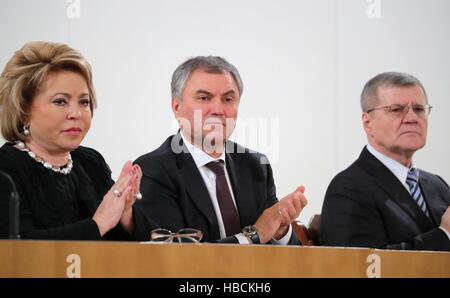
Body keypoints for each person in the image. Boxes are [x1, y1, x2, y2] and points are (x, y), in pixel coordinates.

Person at [134, 56, 307, 244]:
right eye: (204, 98)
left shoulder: (256, 166)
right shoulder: (153, 170)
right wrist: (254, 236)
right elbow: (177, 259)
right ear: (177, 107)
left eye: (228, 99)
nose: (218, 109)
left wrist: (279, 230)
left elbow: (287, 260)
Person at [0, 41, 155, 240]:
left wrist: (125, 214)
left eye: (84, 102)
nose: (76, 113)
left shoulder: (90, 162)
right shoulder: (6, 170)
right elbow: (20, 254)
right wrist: (98, 223)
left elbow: (138, 247)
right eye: (60, 101)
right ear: (23, 111)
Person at [319, 72, 450, 251]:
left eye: (419, 109)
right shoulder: (348, 189)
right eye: (396, 110)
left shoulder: (437, 185)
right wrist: (445, 234)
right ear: (367, 123)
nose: (412, 118)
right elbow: (362, 268)